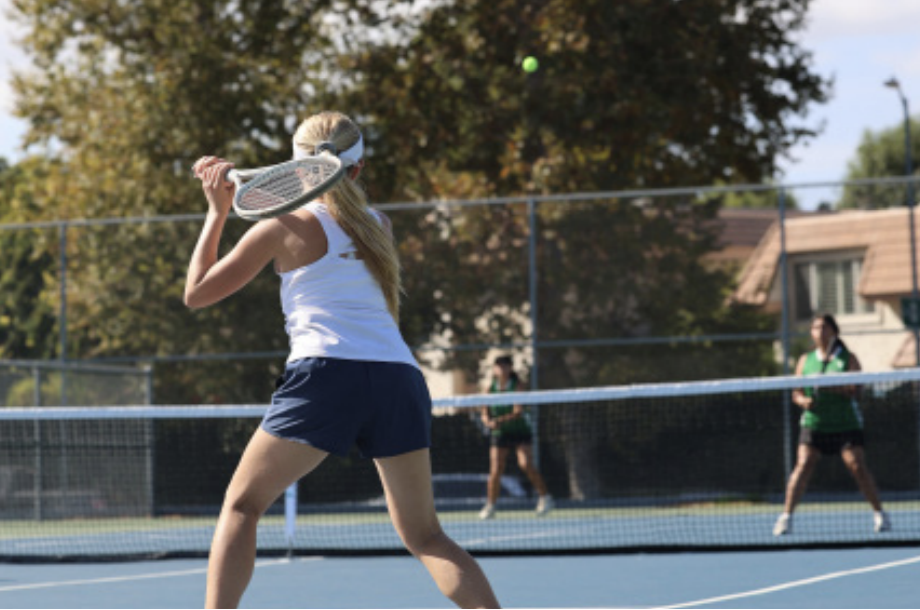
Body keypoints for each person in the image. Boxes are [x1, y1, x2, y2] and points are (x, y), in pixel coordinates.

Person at [186, 111, 500, 609]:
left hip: (327, 374)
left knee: (242, 507)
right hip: (400, 378)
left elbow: (197, 293)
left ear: (295, 168)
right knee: (426, 536)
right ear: (355, 170)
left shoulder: (279, 226)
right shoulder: (380, 225)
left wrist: (216, 211)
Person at [773, 313, 890, 536]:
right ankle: (786, 517)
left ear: (834, 332)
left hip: (845, 424)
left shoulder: (848, 358)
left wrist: (830, 386)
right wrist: (804, 400)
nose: (820, 332)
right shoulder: (805, 360)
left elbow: (856, 391)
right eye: (816, 328)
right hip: (814, 423)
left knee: (857, 466)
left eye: (824, 327)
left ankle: (880, 513)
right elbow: (796, 392)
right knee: (804, 464)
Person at [478, 355, 553, 520]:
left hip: (520, 432)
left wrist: (498, 421)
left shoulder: (517, 385)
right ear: (494, 369)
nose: (502, 368)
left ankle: (545, 497)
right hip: (500, 434)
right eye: (499, 365)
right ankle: (490, 506)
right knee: (495, 470)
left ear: (511, 368)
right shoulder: (490, 387)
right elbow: (484, 411)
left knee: (526, 464)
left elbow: (518, 411)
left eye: (505, 365)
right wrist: (488, 421)